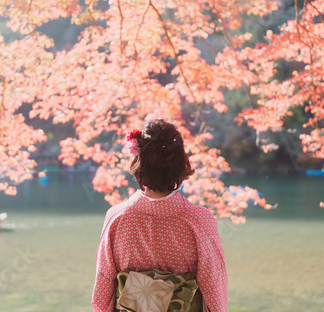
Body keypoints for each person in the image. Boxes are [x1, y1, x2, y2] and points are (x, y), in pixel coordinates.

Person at [91, 119, 228, 311]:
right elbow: (214, 287)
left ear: (139, 161)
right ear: (180, 163)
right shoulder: (199, 219)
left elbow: (103, 288)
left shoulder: (117, 217)